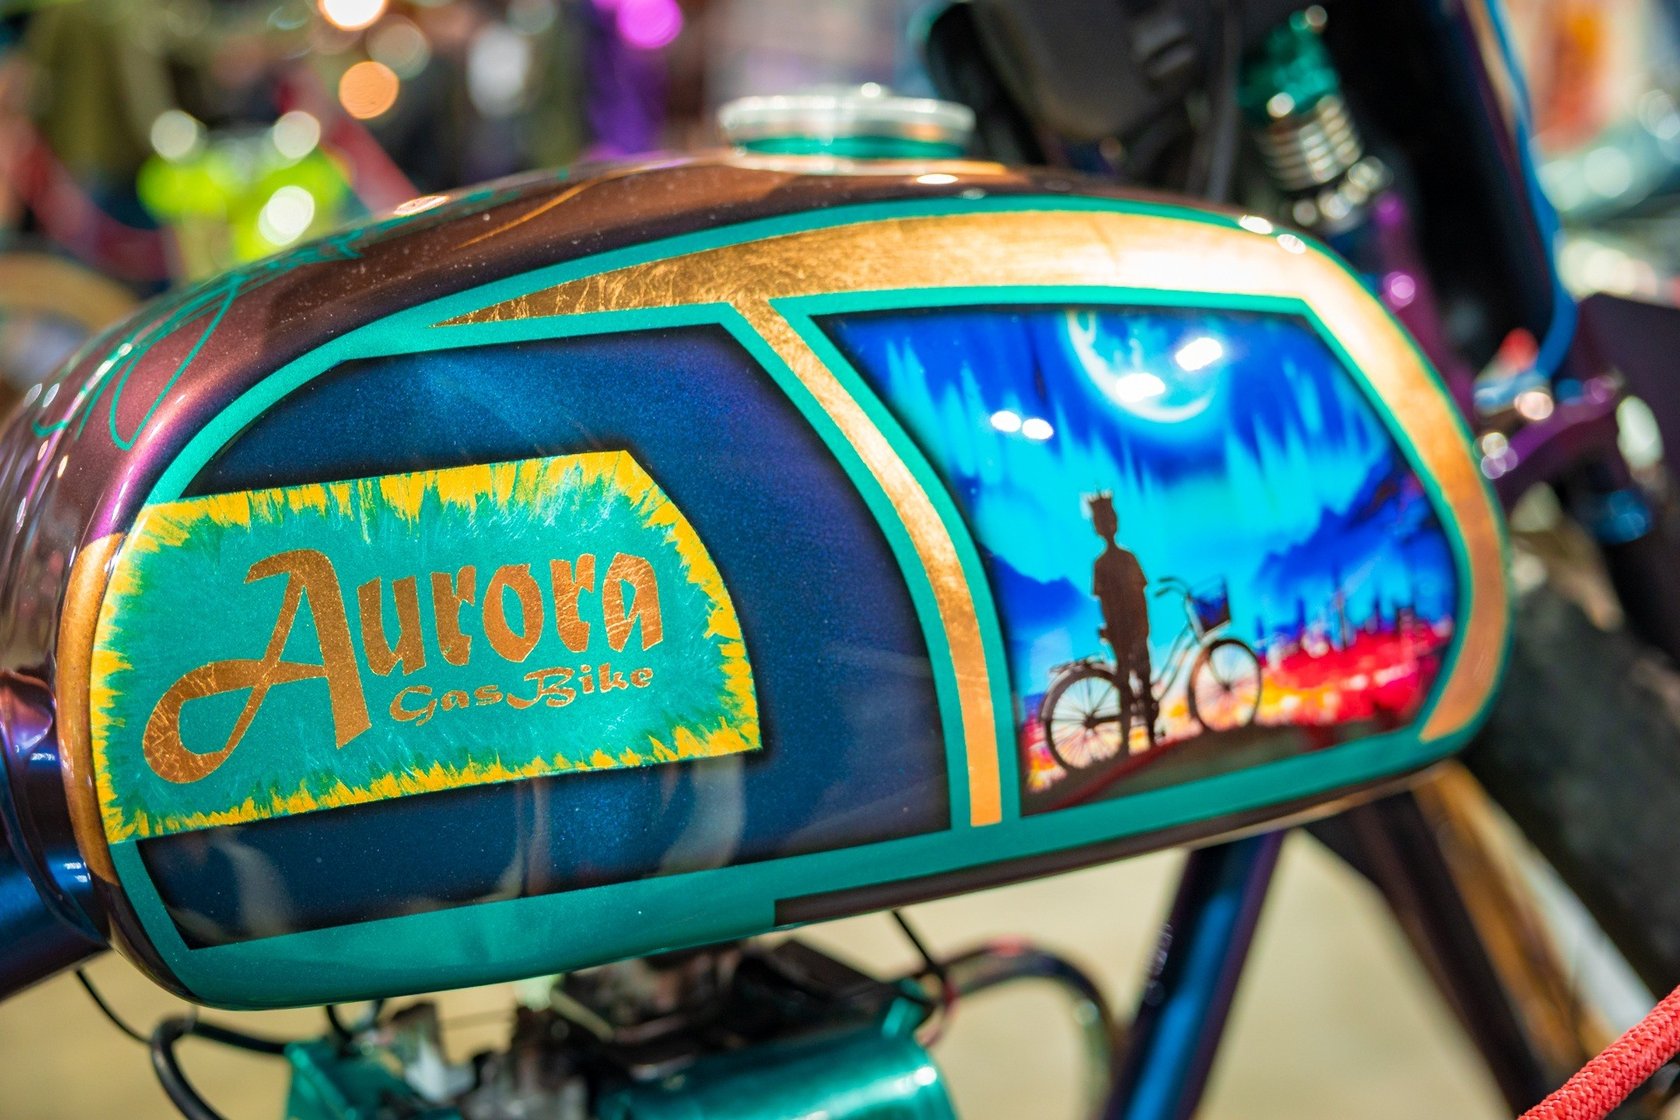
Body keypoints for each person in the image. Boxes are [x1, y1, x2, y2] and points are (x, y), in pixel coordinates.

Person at [1087, 493, 1156, 747]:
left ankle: (1135, 742)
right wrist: (1141, 628)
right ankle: (1139, 740)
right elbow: (1133, 597)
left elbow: (1114, 600)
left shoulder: (1114, 561)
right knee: (1135, 682)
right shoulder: (1119, 560)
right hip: (1127, 632)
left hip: (1126, 632)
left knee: (1130, 683)